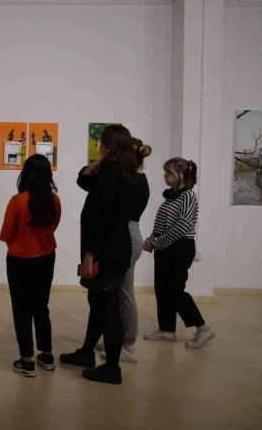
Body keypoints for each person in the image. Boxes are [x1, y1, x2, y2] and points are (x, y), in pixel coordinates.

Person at [59, 125, 137, 385]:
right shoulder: (121, 174)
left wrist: (90, 255)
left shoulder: (110, 178)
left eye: (101, 144)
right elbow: (83, 180)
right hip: (114, 249)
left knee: (108, 309)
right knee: (99, 303)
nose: (98, 147)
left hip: (106, 252)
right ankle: (86, 353)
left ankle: (112, 368)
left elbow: (101, 221)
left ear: (109, 147)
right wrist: (101, 160)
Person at [0, 155, 62, 378]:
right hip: (46, 256)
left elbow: (7, 234)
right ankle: (47, 355)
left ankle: (26, 361)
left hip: (19, 259)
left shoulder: (18, 201)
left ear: (25, 174)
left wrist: (19, 245)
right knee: (41, 306)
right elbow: (53, 228)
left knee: (22, 309)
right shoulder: (54, 201)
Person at [143, 158, 215, 348]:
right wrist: (151, 240)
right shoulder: (171, 197)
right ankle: (167, 330)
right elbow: (160, 224)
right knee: (162, 289)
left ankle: (203, 329)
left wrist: (155, 242)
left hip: (180, 248)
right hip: (165, 248)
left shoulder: (188, 196)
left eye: (168, 173)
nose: (165, 176)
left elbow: (181, 227)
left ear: (181, 176)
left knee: (175, 291)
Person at [97, 138, 152, 363]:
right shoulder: (136, 178)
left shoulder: (133, 180)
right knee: (119, 292)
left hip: (127, 235)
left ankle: (128, 346)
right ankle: (117, 339)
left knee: (125, 293)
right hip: (128, 233)